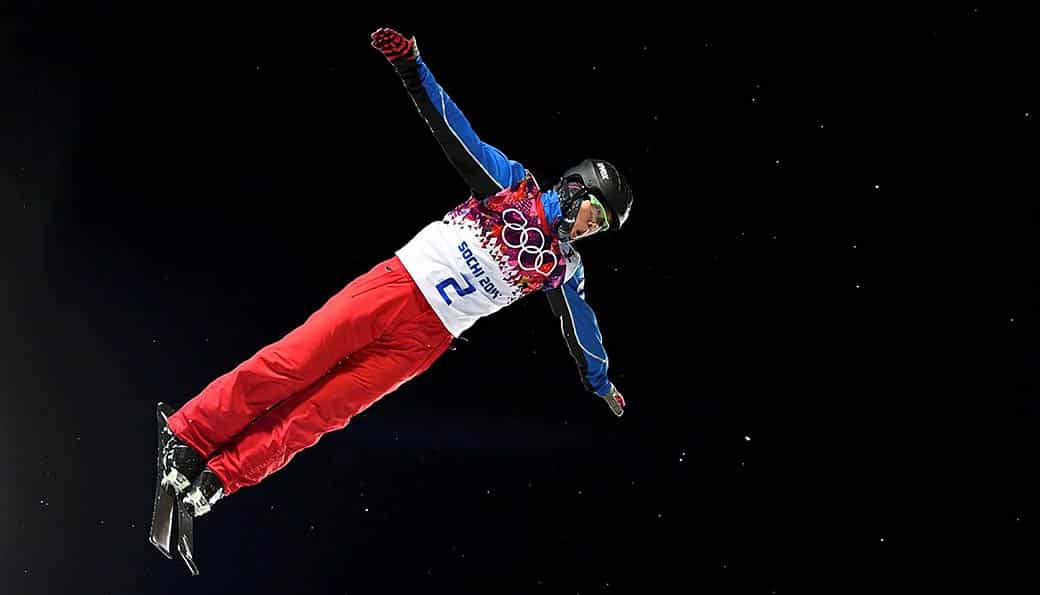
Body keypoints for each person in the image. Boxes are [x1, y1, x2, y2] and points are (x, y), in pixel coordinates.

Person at [159, 27, 635, 519]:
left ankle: (221, 477)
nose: (590, 229)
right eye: (594, 216)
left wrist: (599, 383)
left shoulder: (562, 267)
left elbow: (581, 327)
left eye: (600, 228)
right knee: (293, 364)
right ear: (577, 190)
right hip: (399, 285)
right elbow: (458, 135)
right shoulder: (514, 189)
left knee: (323, 412)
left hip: (425, 340)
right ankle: (192, 435)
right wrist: (412, 69)